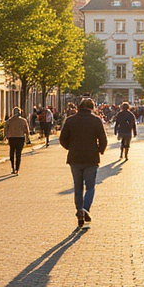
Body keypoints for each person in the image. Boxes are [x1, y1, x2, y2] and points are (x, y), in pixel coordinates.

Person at [58, 97, 107, 228]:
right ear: (92, 107)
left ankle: (79, 210)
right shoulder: (96, 120)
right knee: (90, 186)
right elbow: (103, 139)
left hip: (75, 158)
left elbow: (62, 139)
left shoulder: (70, 120)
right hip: (91, 158)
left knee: (78, 187)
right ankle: (85, 209)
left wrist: (70, 147)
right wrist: (100, 150)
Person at [4, 106, 29, 175]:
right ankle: (17, 169)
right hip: (20, 138)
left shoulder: (9, 120)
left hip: (12, 138)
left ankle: (13, 167)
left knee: (12, 152)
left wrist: (5, 136)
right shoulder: (23, 120)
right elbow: (27, 130)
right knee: (18, 154)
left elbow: (6, 129)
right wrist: (27, 136)